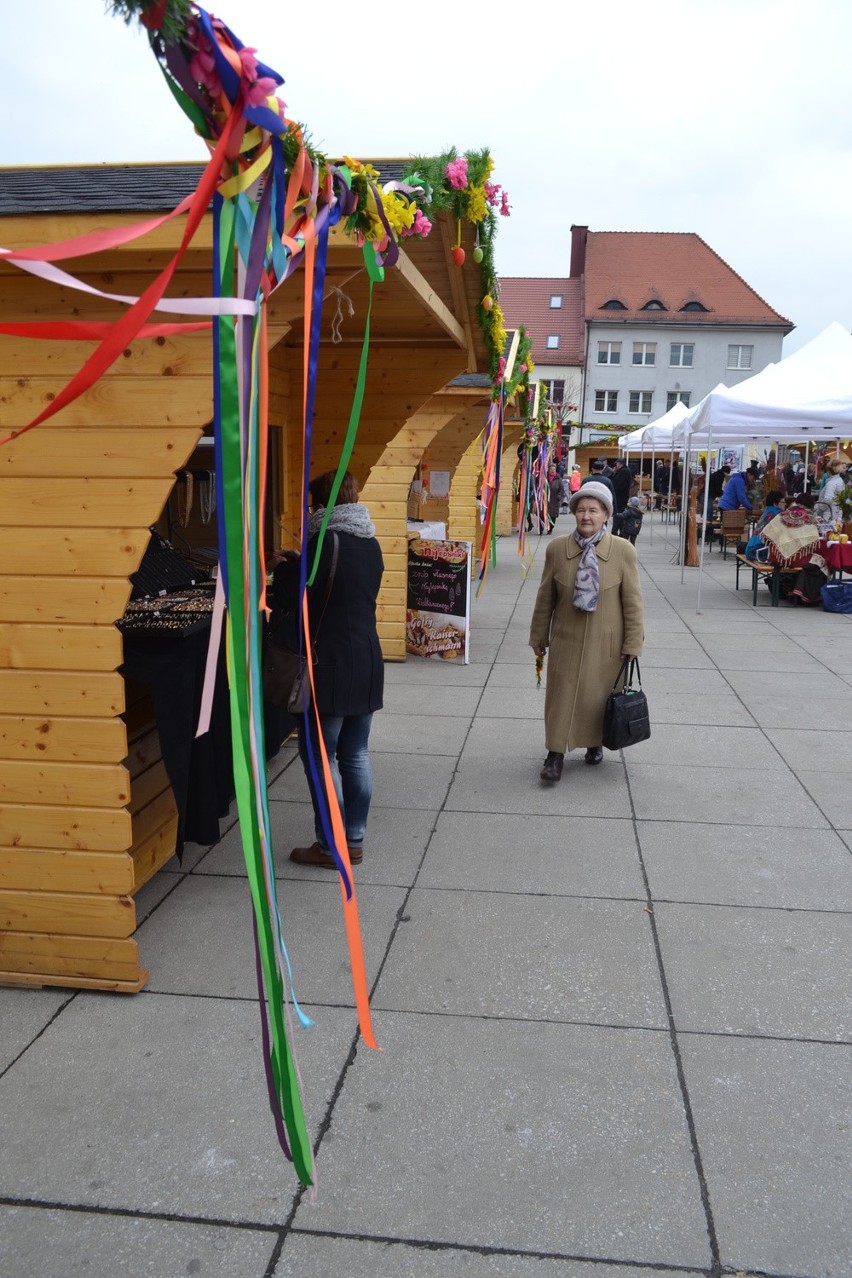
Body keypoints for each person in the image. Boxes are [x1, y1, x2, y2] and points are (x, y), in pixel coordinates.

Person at [270, 470, 384, 868]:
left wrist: (285, 566)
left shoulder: (323, 543)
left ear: (320, 503)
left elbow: (294, 596)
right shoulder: (370, 542)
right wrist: (302, 562)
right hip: (367, 658)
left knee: (320, 756)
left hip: (328, 664)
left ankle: (328, 844)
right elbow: (340, 589)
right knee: (356, 752)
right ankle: (353, 839)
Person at [529, 482, 644, 782]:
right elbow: (545, 599)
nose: (586, 516)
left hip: (608, 644)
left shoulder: (622, 551)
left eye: (594, 510)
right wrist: (539, 637)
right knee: (560, 699)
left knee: (598, 698)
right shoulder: (557, 549)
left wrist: (633, 643)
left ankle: (595, 743)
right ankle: (554, 755)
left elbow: (633, 602)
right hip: (566, 639)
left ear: (606, 514)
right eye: (581, 510)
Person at [821, 454, 851, 525]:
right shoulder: (839, 480)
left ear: (829, 470)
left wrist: (820, 508)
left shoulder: (832, 483)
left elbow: (827, 500)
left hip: (829, 515)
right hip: (837, 513)